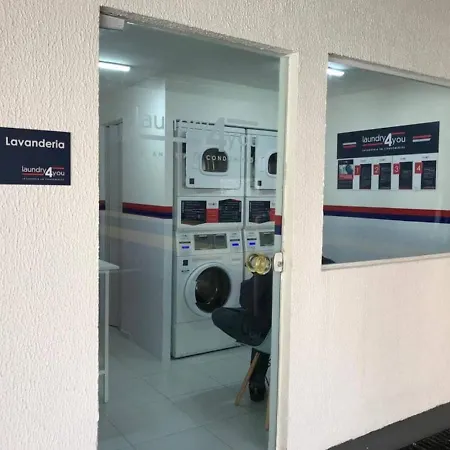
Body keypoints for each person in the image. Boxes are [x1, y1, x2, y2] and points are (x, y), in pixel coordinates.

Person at [212, 255, 335, 402]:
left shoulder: (275, 270)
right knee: (268, 321)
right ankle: (258, 381)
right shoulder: (329, 268)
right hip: (303, 334)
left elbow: (245, 301)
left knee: (222, 315)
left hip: (269, 335)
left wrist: (257, 276)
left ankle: (256, 384)